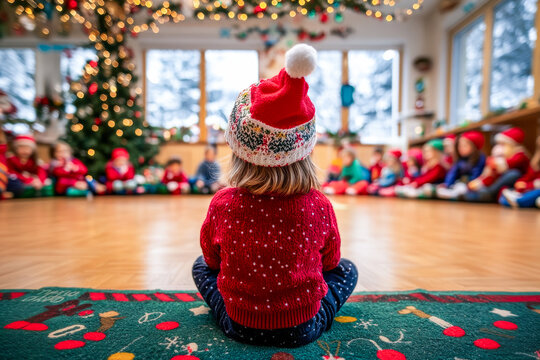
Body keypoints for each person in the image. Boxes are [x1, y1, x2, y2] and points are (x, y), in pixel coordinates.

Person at [192, 44, 358, 348]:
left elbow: (211, 261)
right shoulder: (319, 204)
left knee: (199, 268)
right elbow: (332, 262)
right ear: (305, 152)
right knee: (348, 270)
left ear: (238, 150)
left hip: (238, 323)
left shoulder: (222, 203)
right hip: (303, 326)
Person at [436, 131, 486, 200]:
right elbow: (452, 173)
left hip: (472, 186)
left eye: (464, 146)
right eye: (459, 146)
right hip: (459, 185)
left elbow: (477, 174)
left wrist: (468, 186)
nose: (461, 148)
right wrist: (447, 185)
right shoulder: (459, 160)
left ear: (474, 146)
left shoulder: (480, 158)